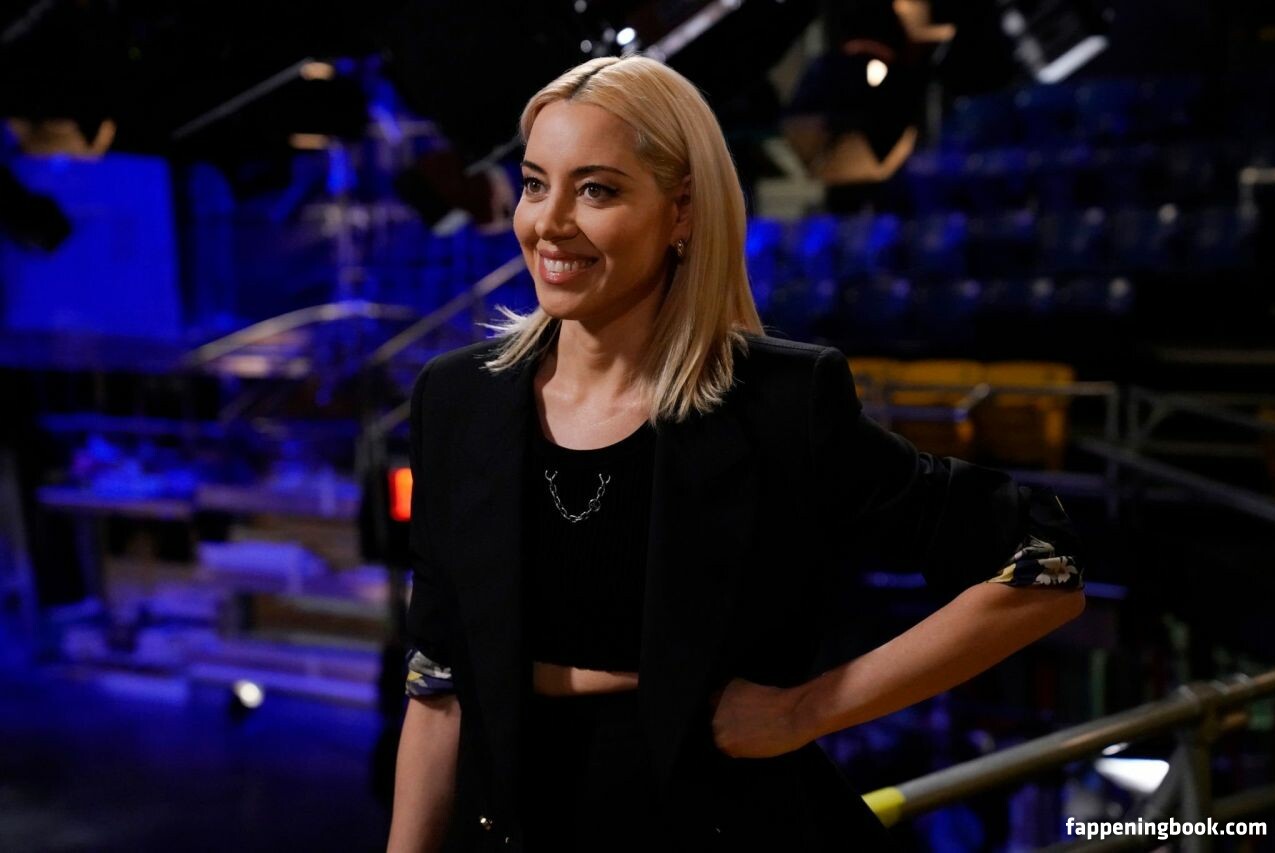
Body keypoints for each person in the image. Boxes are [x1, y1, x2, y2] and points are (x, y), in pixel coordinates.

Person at [386, 55, 1084, 853]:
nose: (549, 222)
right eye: (536, 184)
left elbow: (1045, 563)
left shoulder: (780, 403)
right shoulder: (457, 399)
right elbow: (436, 685)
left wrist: (805, 709)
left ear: (681, 211)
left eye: (597, 190)